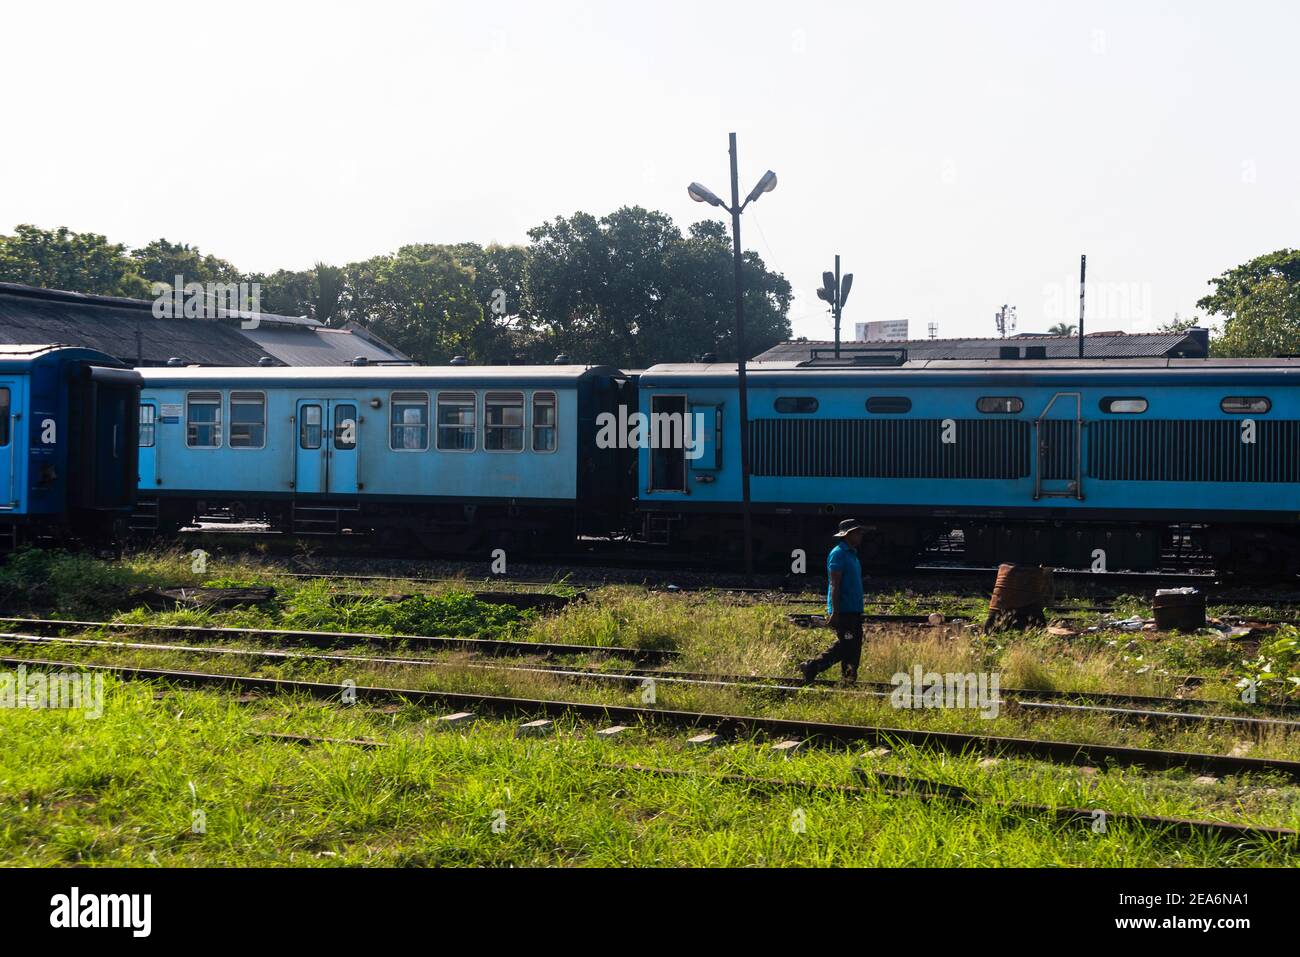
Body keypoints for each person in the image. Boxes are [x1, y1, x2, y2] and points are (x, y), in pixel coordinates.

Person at [799, 519, 866, 684]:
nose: (860, 536)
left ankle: (847, 679)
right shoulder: (838, 554)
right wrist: (834, 612)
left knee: (853, 646)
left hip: (854, 609)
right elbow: (834, 584)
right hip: (844, 610)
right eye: (857, 532)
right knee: (847, 645)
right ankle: (814, 666)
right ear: (847, 535)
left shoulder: (852, 554)